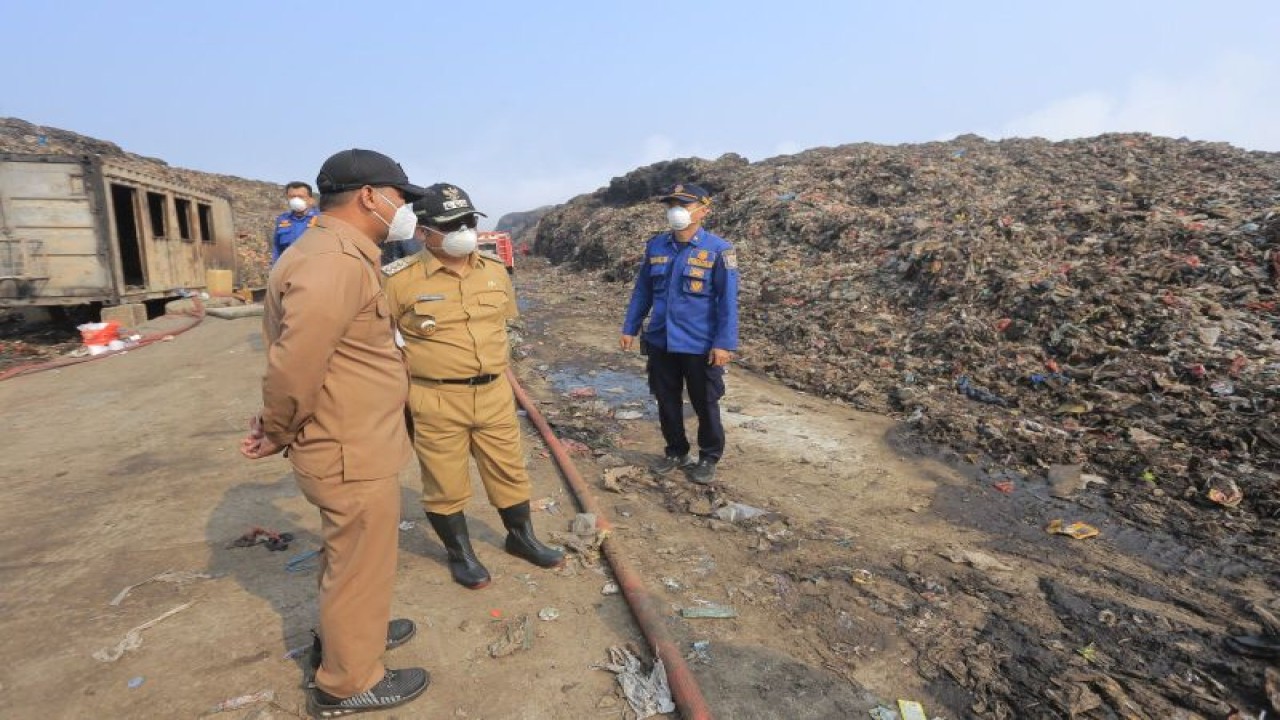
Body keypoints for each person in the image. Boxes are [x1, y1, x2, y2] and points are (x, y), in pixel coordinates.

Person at [240, 149, 430, 717]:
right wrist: (276, 429)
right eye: (400, 197)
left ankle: (351, 635)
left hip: (354, 436)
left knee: (350, 555)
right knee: (359, 565)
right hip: (347, 447)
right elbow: (295, 365)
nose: (404, 209)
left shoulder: (339, 251)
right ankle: (349, 681)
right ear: (370, 196)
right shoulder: (334, 262)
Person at [383, 183, 564, 590]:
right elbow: (379, 341)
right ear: (423, 233)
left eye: (468, 221)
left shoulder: (496, 272)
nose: (463, 230)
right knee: (445, 481)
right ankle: (460, 554)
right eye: (451, 225)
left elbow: (501, 327)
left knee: (509, 471)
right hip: (435, 396)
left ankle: (522, 538)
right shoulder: (397, 281)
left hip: (495, 393)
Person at [620, 183, 740, 485]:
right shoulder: (656, 246)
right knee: (666, 399)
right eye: (672, 205)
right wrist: (630, 327)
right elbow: (643, 290)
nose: (676, 211)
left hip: (699, 342)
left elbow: (728, 302)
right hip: (661, 339)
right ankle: (676, 451)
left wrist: (724, 343)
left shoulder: (719, 250)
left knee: (705, 402)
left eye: (683, 205)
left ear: (703, 210)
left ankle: (709, 456)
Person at [270, 181, 320, 264]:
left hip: (314, 268)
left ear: (311, 200)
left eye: (301, 197)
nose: (296, 200)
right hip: (289, 269)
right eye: (292, 197)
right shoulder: (282, 219)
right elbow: (277, 248)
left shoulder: (322, 218)